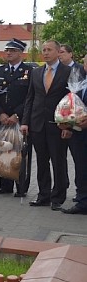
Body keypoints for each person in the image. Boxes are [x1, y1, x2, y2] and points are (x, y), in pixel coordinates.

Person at [21, 40, 72, 211]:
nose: (46, 52)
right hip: (37, 124)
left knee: (58, 161)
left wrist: (68, 126)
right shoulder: (36, 72)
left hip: (58, 125)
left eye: (49, 50)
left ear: (58, 52)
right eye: (43, 50)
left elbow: (72, 100)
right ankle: (43, 195)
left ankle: (58, 197)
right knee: (42, 162)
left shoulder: (68, 71)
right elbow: (30, 98)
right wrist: (25, 122)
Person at [0, 38, 34, 196]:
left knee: (20, 154)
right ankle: (5, 185)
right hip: (2, 119)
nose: (8, 53)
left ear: (20, 53)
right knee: (3, 151)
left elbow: (30, 96)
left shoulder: (29, 71)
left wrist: (16, 115)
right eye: (7, 50)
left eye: (12, 51)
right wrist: (1, 113)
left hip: (20, 119)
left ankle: (21, 187)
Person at [61, 54, 87, 214]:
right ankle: (82, 200)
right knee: (81, 168)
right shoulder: (81, 83)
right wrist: (68, 125)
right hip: (80, 134)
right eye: (85, 63)